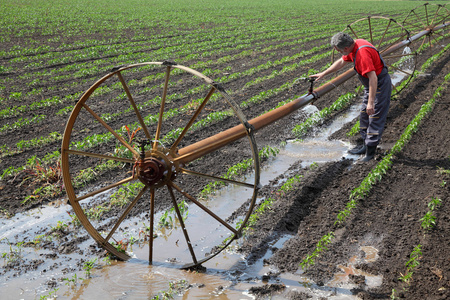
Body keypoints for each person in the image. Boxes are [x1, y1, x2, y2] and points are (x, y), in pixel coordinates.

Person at [311, 32, 391, 162]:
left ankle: (370, 153)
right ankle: (365, 146)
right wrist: (324, 73)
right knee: (364, 116)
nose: (338, 52)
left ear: (346, 48)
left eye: (338, 50)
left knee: (374, 117)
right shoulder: (355, 45)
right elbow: (342, 61)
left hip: (379, 85)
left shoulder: (362, 54)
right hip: (370, 85)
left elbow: (373, 79)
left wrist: (371, 103)